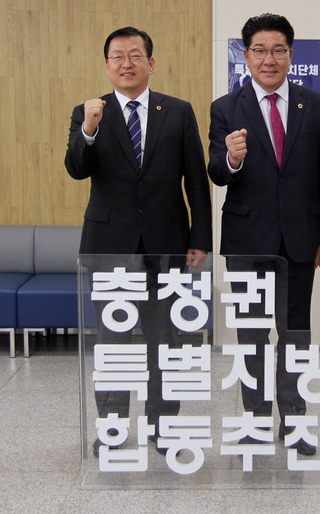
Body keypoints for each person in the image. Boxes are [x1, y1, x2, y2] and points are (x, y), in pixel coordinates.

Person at [65, 26, 212, 456]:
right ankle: (111, 428)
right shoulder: (89, 112)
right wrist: (88, 129)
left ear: (151, 62)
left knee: (165, 340)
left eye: (135, 55)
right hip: (109, 247)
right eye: (117, 56)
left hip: (166, 247)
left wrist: (200, 237)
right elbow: (76, 168)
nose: (126, 63)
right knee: (113, 344)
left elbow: (195, 180)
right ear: (106, 65)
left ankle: (164, 427)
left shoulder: (178, 111)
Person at [208, 13, 320, 457]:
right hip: (247, 241)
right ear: (246, 56)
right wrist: (231, 159)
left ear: (291, 54)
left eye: (278, 50)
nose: (270, 59)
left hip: (300, 239)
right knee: (251, 336)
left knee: (296, 333)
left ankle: (295, 419)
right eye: (260, 51)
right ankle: (255, 420)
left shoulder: (315, 104)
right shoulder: (226, 108)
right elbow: (216, 172)